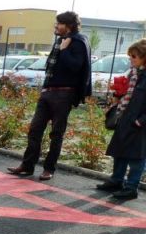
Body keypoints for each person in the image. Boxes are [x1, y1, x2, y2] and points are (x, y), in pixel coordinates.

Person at [8, 11, 92, 180]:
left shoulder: (78, 42)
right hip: (48, 91)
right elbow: (50, 67)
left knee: (56, 133)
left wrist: (64, 51)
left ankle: (49, 169)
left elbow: (76, 67)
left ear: (68, 25)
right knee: (35, 129)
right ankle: (27, 165)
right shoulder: (60, 41)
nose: (55, 26)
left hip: (64, 93)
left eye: (59, 23)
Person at [96, 39, 146, 200]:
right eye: (130, 56)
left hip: (139, 123)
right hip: (125, 118)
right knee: (120, 153)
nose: (131, 59)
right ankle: (116, 180)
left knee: (137, 158)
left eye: (134, 56)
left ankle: (131, 187)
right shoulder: (134, 73)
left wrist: (141, 121)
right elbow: (127, 95)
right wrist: (118, 94)